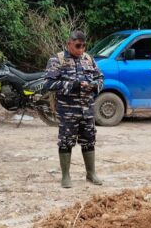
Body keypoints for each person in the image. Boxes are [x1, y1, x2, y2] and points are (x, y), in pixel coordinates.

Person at [42, 31, 104, 188]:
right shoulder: (58, 60)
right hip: (68, 110)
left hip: (87, 109)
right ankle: (66, 176)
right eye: (78, 46)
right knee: (65, 142)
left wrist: (94, 86)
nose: (81, 49)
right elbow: (48, 83)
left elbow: (100, 78)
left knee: (89, 140)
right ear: (69, 44)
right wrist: (72, 85)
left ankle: (91, 173)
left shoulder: (88, 59)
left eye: (83, 46)